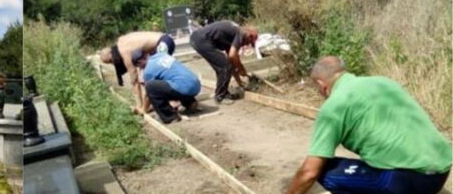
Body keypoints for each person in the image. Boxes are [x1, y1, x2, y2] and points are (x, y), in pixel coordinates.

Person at [286, 56, 452, 194]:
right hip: (440, 172)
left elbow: (309, 173)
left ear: (322, 86)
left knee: (325, 170)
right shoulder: (383, 82)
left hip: (408, 182)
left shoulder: (334, 106)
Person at [98, 31, 176, 110]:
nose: (113, 63)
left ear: (112, 54)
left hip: (164, 42)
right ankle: (161, 101)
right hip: (162, 41)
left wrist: (139, 106)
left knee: (159, 72)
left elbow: (134, 80)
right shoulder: (120, 42)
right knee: (151, 74)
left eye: (111, 61)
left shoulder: (124, 51)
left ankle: (174, 101)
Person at [189, 20, 257, 104]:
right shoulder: (241, 33)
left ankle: (223, 93)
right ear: (249, 36)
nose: (246, 45)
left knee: (222, 67)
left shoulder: (232, 35)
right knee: (224, 67)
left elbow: (231, 60)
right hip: (201, 40)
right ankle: (220, 96)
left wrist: (239, 82)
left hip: (197, 39)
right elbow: (233, 56)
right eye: (248, 42)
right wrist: (241, 69)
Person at [135, 50, 201, 124]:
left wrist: (143, 109)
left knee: (150, 86)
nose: (141, 69)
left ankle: (170, 117)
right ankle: (190, 102)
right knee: (172, 80)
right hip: (196, 85)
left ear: (139, 62)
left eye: (138, 66)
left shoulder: (148, 71)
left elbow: (148, 95)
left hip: (184, 89)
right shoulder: (161, 55)